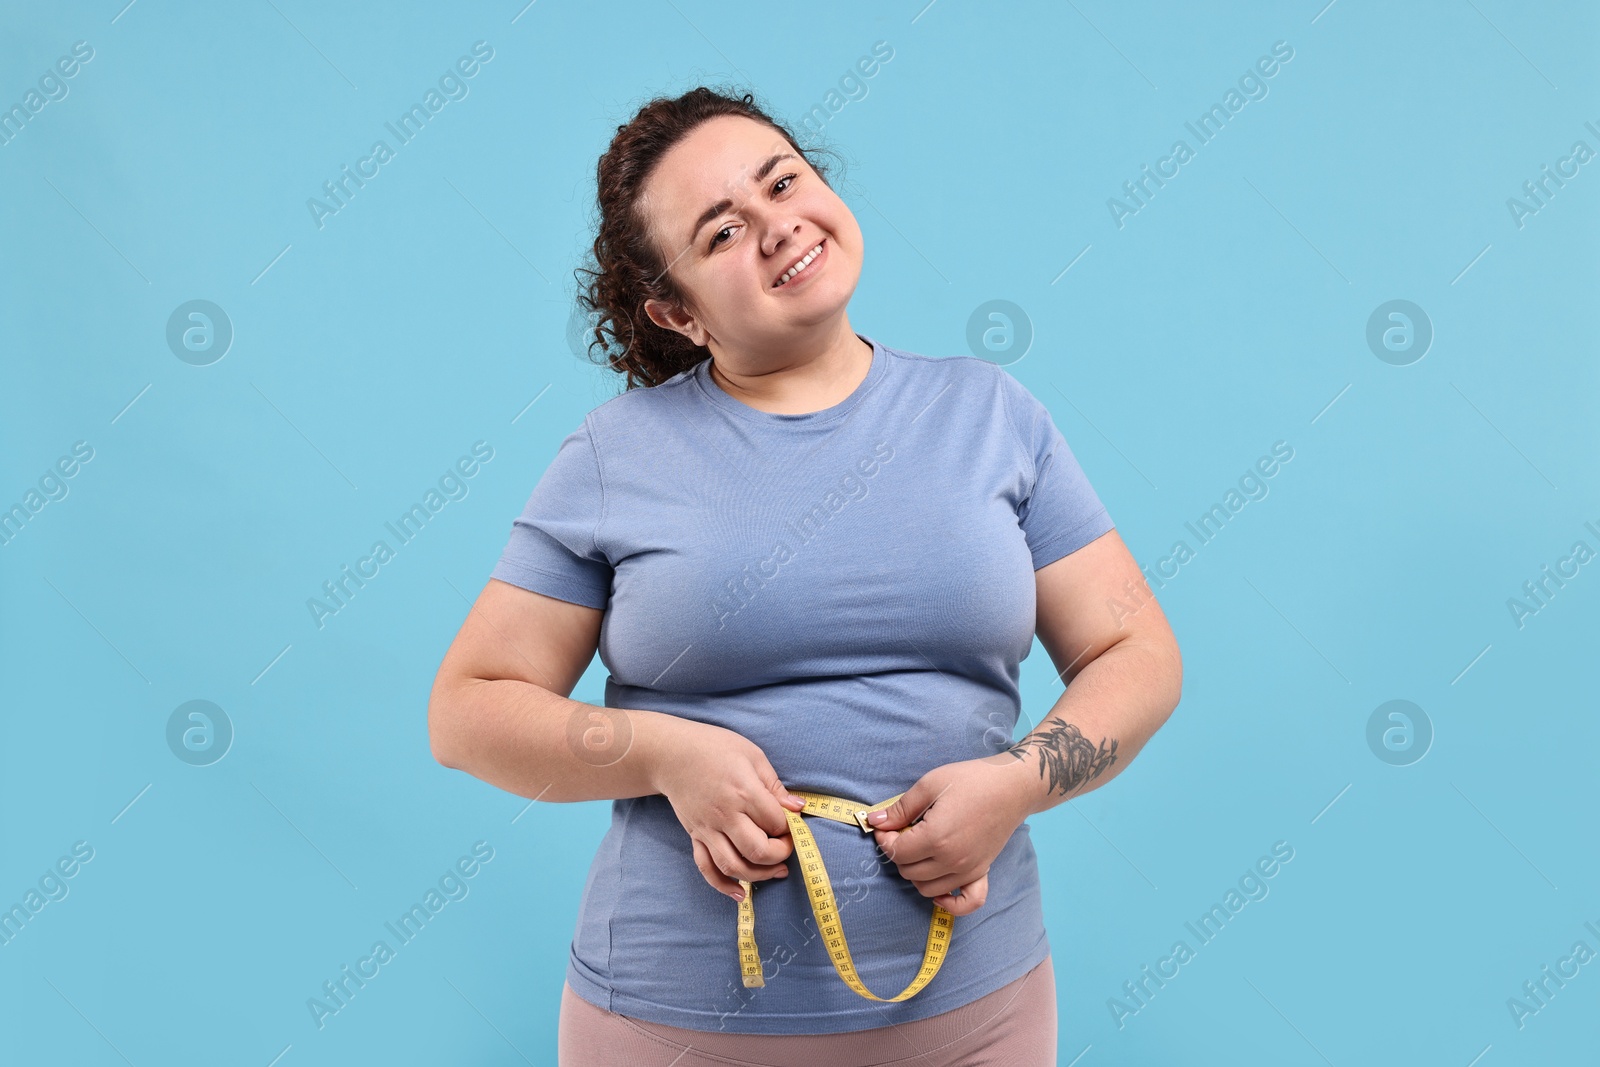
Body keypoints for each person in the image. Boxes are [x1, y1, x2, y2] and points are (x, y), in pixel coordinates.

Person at [427, 86, 1183, 1066]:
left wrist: (1017, 784)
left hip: (977, 1018)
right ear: (676, 310)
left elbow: (1139, 650)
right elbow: (466, 711)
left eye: (783, 180)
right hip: (671, 1027)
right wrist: (661, 753)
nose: (777, 226)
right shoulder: (617, 454)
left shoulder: (990, 411)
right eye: (721, 230)